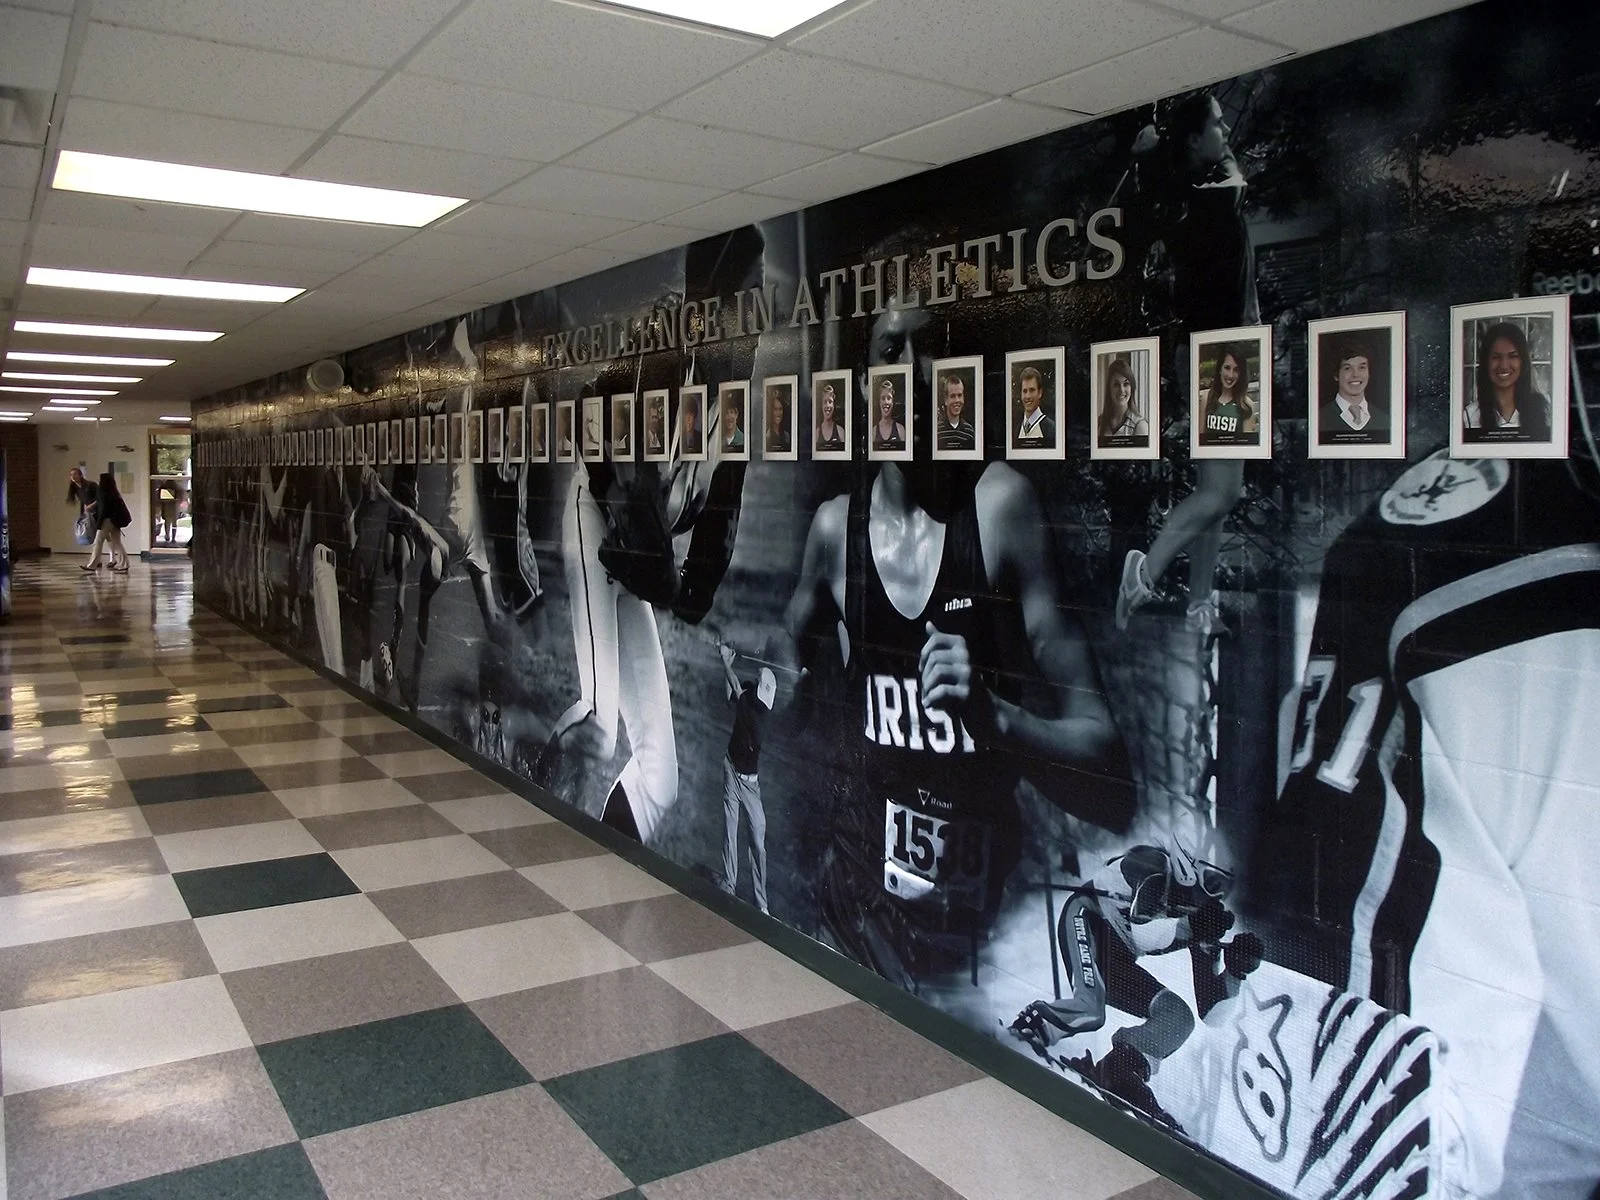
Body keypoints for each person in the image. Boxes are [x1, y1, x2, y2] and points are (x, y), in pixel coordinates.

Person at [777, 446, 1135, 996]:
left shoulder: (1000, 509)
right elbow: (785, 680)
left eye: (932, 356)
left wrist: (998, 720)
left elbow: (1112, 789)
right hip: (857, 915)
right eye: (894, 354)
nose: (915, 371)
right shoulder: (834, 528)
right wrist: (768, 678)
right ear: (871, 382)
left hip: (978, 944)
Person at [1116, 90, 1258, 635]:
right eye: (1217, 126)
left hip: (1216, 350)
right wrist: (1159, 150)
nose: (1227, 135)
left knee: (1214, 489)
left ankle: (1201, 605)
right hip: (1220, 353)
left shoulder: (1180, 189)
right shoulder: (1208, 191)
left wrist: (1156, 151)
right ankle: (1142, 574)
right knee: (1222, 491)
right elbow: (1236, 178)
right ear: (1195, 139)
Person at [1009, 842, 1262, 1126]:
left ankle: (1120, 1069)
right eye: (1212, 882)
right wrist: (1193, 927)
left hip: (1118, 956)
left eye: (1224, 889)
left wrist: (1235, 973)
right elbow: (1143, 932)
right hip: (1087, 919)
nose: (1214, 896)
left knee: (1178, 1018)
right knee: (1089, 1009)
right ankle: (1028, 1028)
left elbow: (1213, 1015)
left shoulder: (1203, 915)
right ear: (1190, 866)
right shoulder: (1152, 865)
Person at [719, 643, 775, 914]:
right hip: (731, 770)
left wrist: (726, 661)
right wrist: (728, 665)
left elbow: (735, 687)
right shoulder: (749, 700)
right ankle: (729, 885)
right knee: (731, 830)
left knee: (758, 843)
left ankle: (761, 903)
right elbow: (732, 689)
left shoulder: (754, 714)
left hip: (750, 785)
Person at [1463, 321, 1552, 441]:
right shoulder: (1470, 415)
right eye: (1496, 357)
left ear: (1523, 361)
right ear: (1485, 362)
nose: (1504, 365)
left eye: (1513, 356)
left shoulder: (1546, 409)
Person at [1316, 340, 1388, 444]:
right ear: (1336, 375)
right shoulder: (1320, 419)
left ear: (1369, 373)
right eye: (1347, 368)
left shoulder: (1384, 420)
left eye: (1362, 367)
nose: (1356, 375)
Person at [1196, 344, 1256, 442]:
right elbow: (1200, 440)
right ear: (1220, 369)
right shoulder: (1207, 398)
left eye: (1236, 370)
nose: (1230, 375)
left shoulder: (1247, 405)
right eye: (1227, 368)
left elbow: (1247, 448)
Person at [82, 472, 132, 573]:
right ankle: (124, 564)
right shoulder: (114, 492)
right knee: (117, 543)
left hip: (106, 521)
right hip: (115, 521)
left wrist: (99, 523)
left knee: (98, 542)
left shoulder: (102, 492)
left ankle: (92, 565)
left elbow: (103, 510)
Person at [1098, 358, 1149, 445]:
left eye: (1126, 384)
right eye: (1116, 384)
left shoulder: (1140, 426)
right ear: (1109, 389)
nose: (1121, 390)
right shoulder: (1099, 423)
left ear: (1132, 388)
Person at [1012, 366, 1056, 448]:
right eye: (1025, 391)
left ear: (1039, 393)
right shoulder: (1016, 431)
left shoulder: (1052, 430)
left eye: (1032, 390)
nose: (1028, 396)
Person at [936, 372, 976, 452]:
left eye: (960, 395)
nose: (957, 400)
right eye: (953, 396)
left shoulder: (970, 431)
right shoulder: (937, 431)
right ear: (946, 400)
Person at [871, 377, 906, 451]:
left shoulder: (901, 430)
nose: (886, 402)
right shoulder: (873, 432)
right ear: (879, 402)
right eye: (883, 398)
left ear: (893, 402)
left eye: (889, 398)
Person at [814, 383, 845, 452]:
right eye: (825, 402)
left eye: (830, 402)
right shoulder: (816, 433)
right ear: (821, 406)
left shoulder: (841, 432)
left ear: (834, 405)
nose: (827, 405)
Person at [765, 386, 791, 454]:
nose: (778, 413)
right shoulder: (767, 435)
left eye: (780, 409)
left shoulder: (786, 436)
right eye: (775, 409)